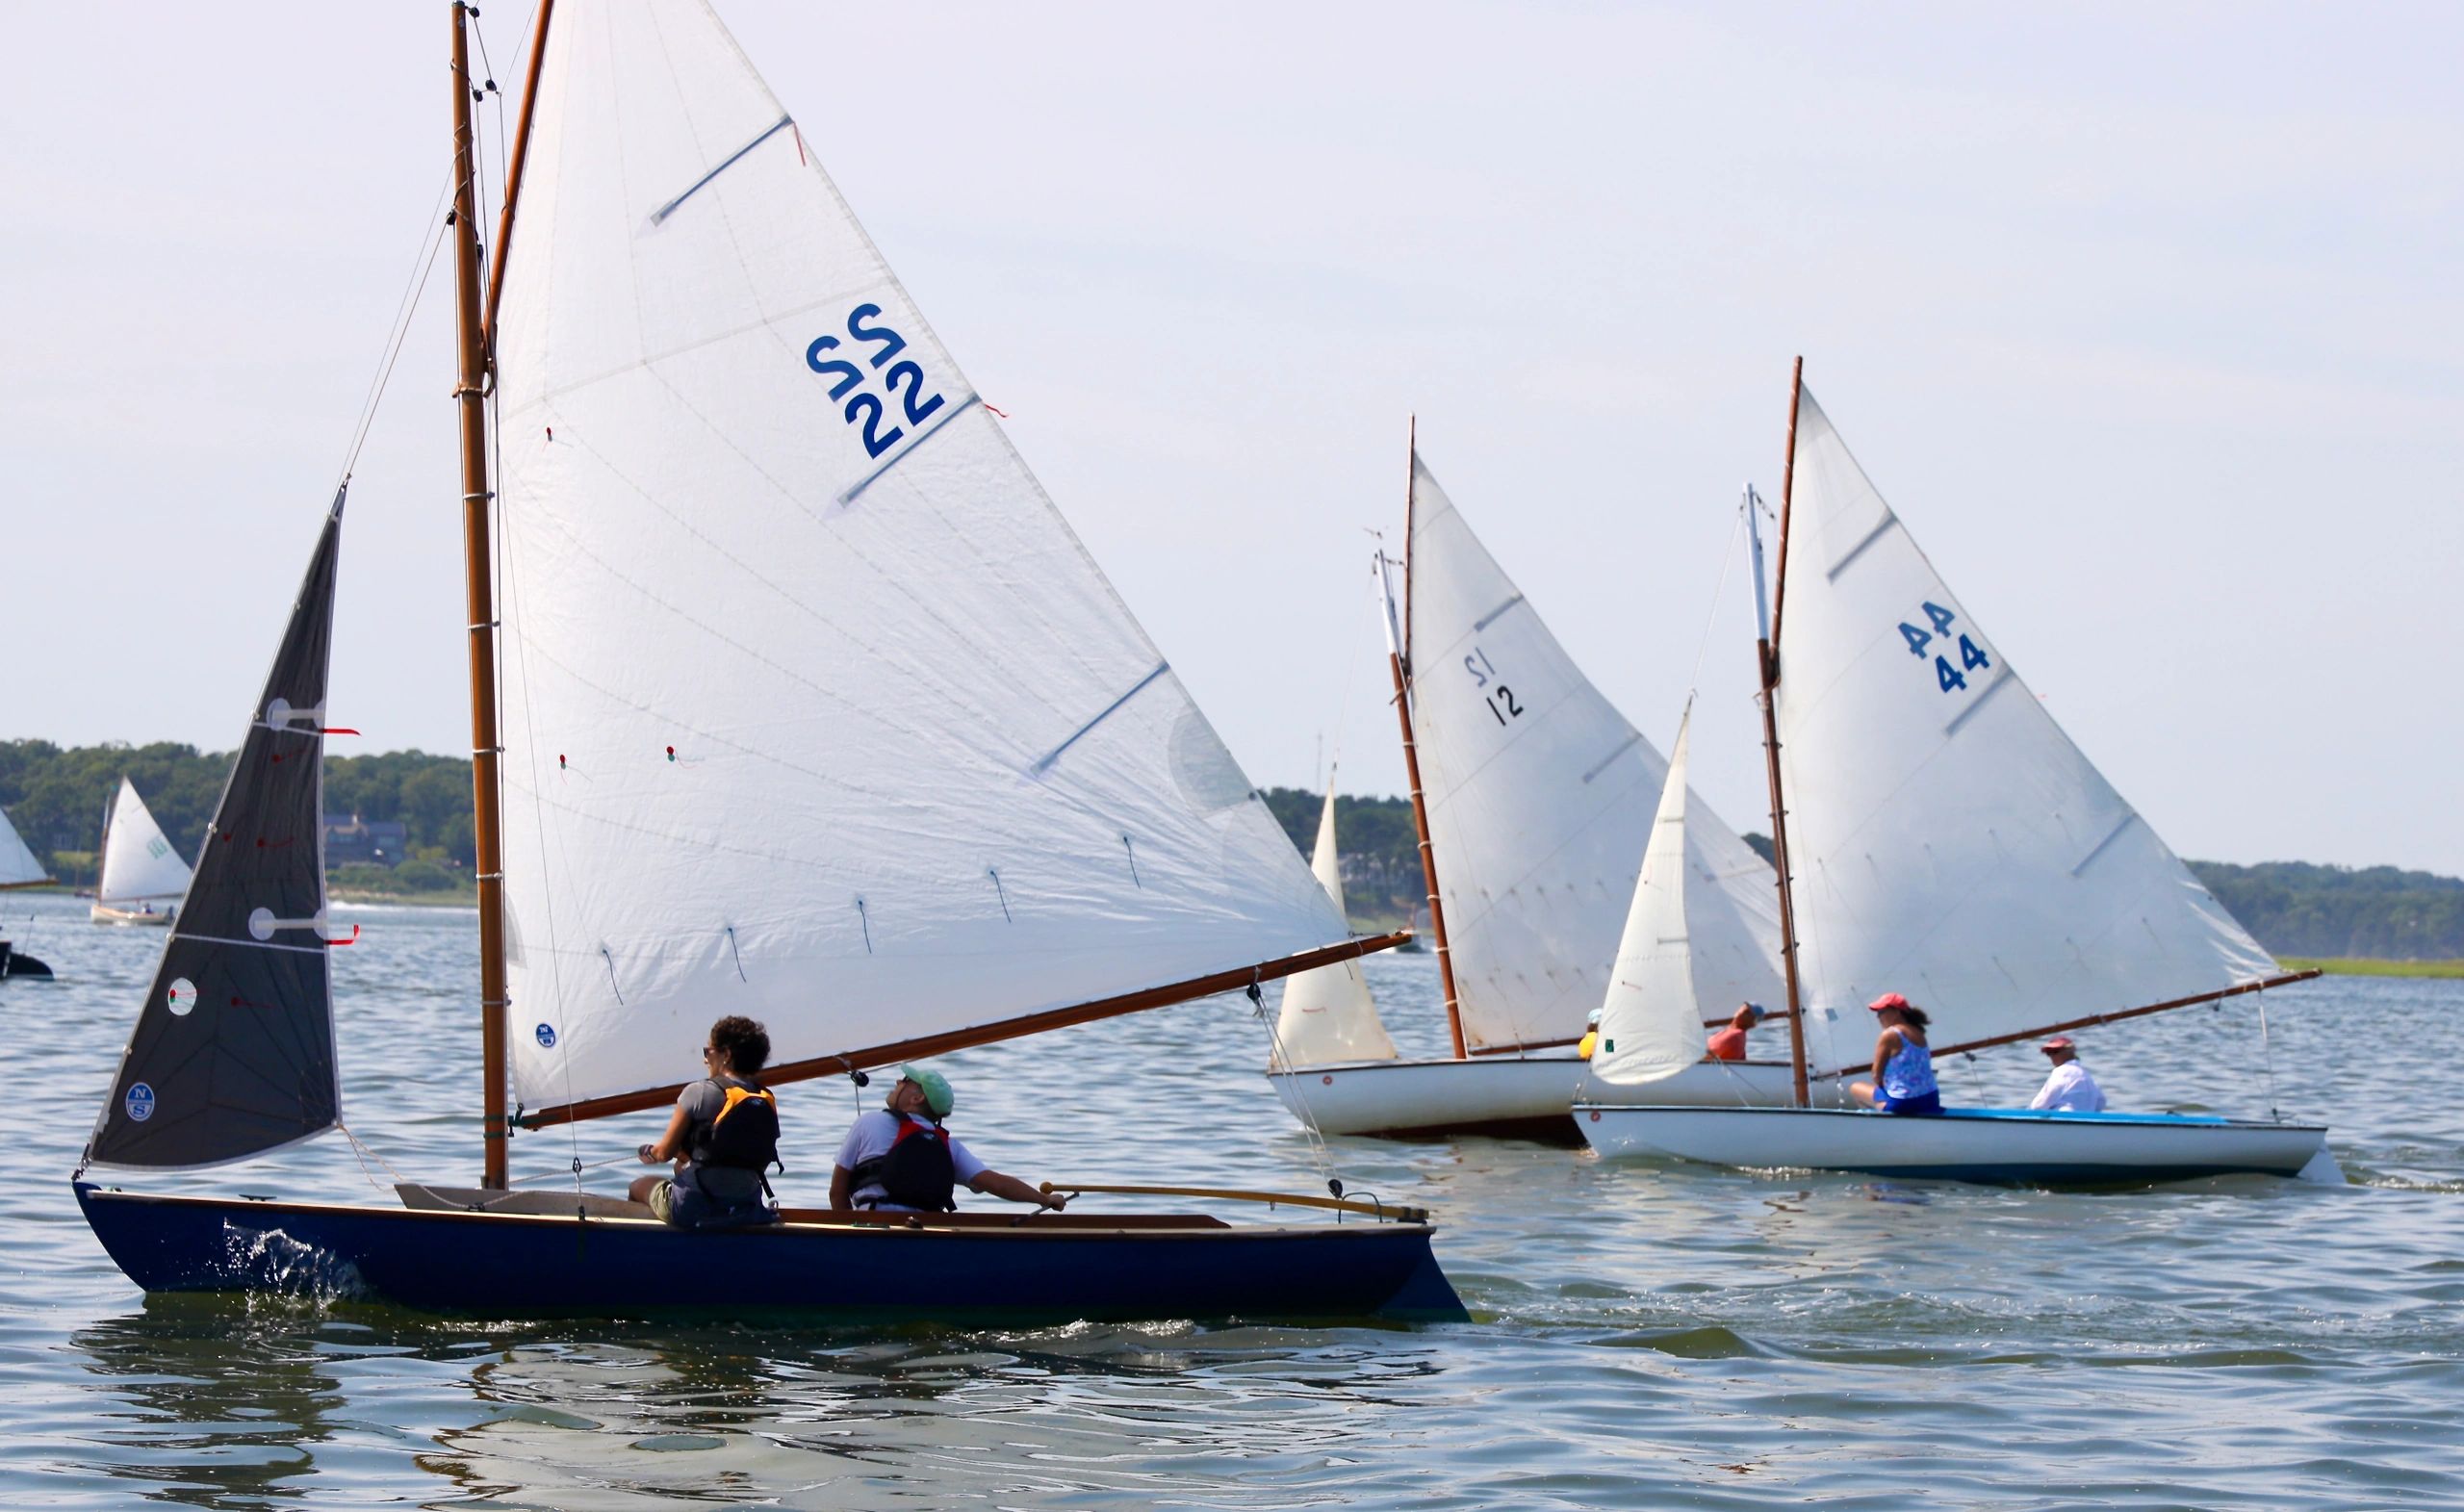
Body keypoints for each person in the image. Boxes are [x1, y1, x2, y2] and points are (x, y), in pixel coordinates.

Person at [830, 1064, 1068, 1214]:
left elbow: (837, 1192)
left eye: (905, 1081)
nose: (898, 1082)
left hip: (874, 1230)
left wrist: (849, 1235)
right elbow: (996, 1183)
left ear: (917, 1099)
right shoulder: (948, 1145)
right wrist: (1043, 1198)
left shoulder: (869, 1122)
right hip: (924, 1233)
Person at [629, 1014, 784, 1229]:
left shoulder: (698, 1092)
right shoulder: (765, 1098)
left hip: (693, 1208)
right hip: (746, 1208)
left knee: (639, 1186)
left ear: (726, 1054)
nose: (704, 1060)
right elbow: (756, 1160)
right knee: (680, 1167)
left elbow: (663, 1153)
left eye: (707, 1052)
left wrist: (648, 1152)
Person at [1848, 992, 1942, 1116]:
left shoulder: (1890, 1034)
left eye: (1881, 1012)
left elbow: (1876, 1075)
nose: (1878, 1017)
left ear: (1897, 1012)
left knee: (1855, 1088)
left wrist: (1884, 1088)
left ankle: (1876, 1126)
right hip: (1931, 1099)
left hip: (1903, 1104)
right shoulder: (1919, 1031)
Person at [2028, 1036, 2108, 1112]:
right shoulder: (2085, 1074)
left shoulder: (2061, 1071)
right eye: (2049, 1053)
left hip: (2063, 1120)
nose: (2051, 1056)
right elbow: (2101, 1102)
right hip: (2085, 1122)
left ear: (2069, 1051)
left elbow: (2039, 1105)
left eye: (2055, 1051)